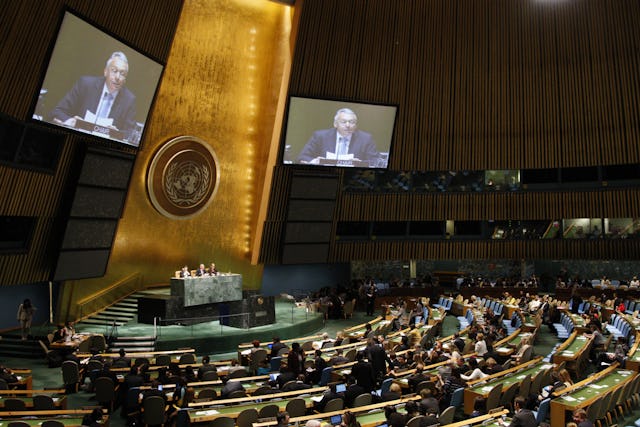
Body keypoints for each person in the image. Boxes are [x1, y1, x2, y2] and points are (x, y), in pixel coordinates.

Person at [49, 51, 137, 138]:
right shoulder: (85, 84)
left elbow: (131, 133)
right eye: (114, 71)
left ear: (125, 79)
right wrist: (71, 122)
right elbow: (57, 111)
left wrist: (116, 133)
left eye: (122, 74)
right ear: (105, 71)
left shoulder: (129, 99)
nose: (117, 77)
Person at [297, 108, 379, 165]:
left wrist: (360, 164)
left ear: (356, 125)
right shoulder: (320, 136)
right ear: (335, 124)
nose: (348, 125)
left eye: (352, 122)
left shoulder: (366, 139)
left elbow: (375, 161)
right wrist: (314, 162)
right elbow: (302, 157)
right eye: (343, 122)